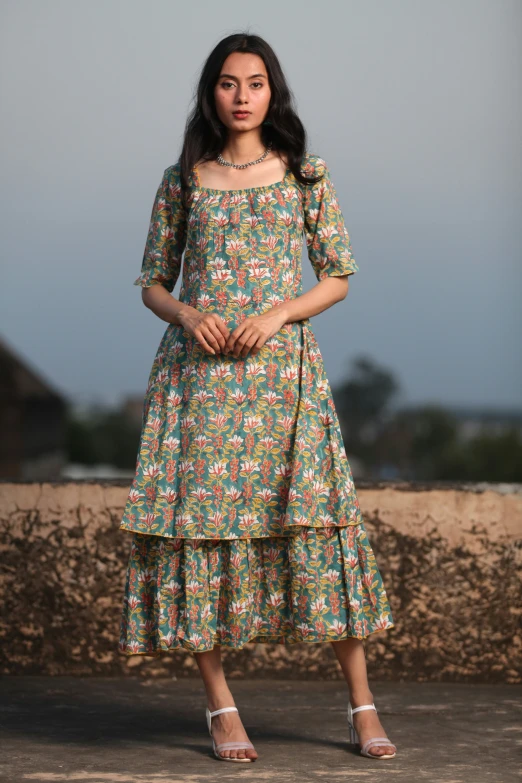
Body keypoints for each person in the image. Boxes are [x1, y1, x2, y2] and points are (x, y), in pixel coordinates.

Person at [118, 32, 397, 763]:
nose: (242, 96)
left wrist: (278, 312)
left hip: (282, 380)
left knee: (317, 520)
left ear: (274, 93)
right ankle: (221, 705)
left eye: (256, 82)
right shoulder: (182, 180)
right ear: (211, 94)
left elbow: (337, 273)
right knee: (199, 531)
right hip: (200, 382)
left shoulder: (305, 174)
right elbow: (152, 280)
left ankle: (362, 703)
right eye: (228, 83)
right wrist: (188, 314)